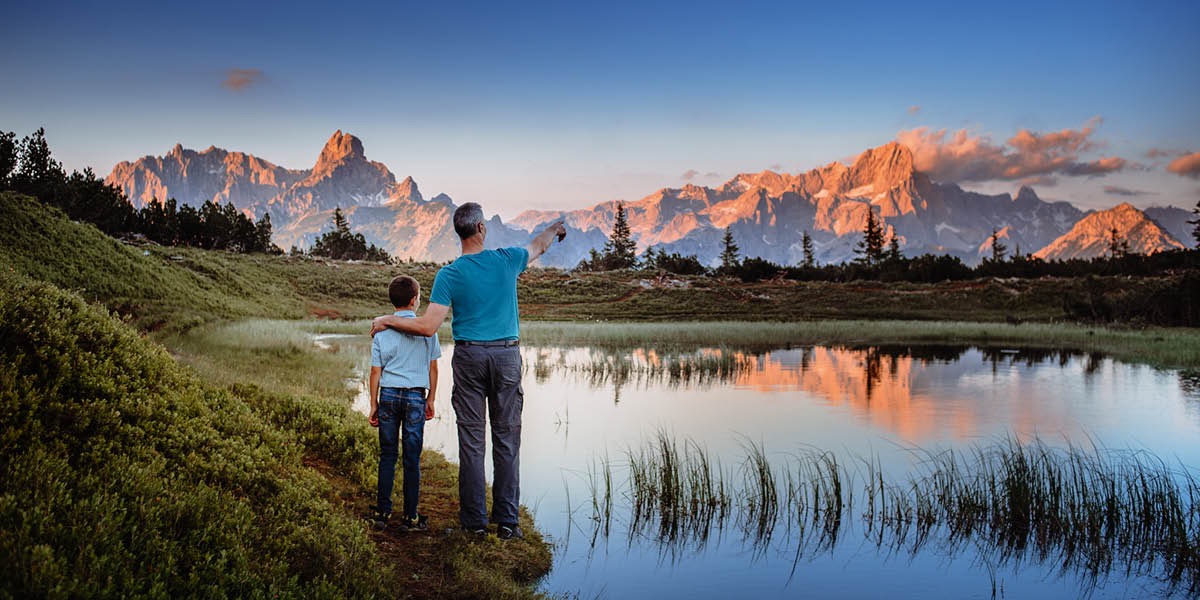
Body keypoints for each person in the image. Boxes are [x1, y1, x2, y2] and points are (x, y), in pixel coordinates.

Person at [371, 203, 565, 540]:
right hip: (505, 357)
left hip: (469, 359)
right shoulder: (507, 259)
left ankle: (474, 525)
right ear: (480, 229)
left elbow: (429, 326)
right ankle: (507, 524)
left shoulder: (449, 274)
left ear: (459, 232)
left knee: (472, 441)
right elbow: (539, 245)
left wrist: (387, 319)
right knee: (507, 439)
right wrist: (556, 228)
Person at [367, 275, 441, 531]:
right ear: (414, 301)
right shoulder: (427, 330)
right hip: (414, 397)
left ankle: (382, 512)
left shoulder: (380, 332)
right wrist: (430, 398)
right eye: (419, 297)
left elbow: (375, 372)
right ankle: (410, 516)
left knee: (387, 454)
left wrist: (373, 403)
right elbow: (433, 368)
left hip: (388, 394)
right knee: (412, 458)